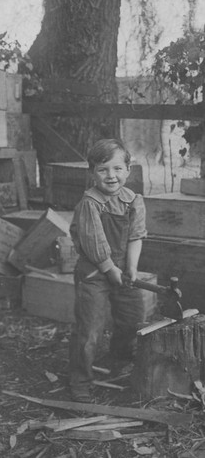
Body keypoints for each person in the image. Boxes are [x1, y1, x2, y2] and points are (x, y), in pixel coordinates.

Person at [69, 138, 147, 402]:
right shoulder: (90, 203)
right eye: (103, 170)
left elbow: (136, 236)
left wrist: (132, 269)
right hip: (94, 273)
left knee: (132, 318)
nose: (111, 176)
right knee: (90, 328)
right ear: (93, 172)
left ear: (128, 170)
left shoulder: (133, 200)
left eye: (117, 168)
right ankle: (80, 380)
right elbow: (94, 243)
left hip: (122, 271)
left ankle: (118, 360)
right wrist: (110, 269)